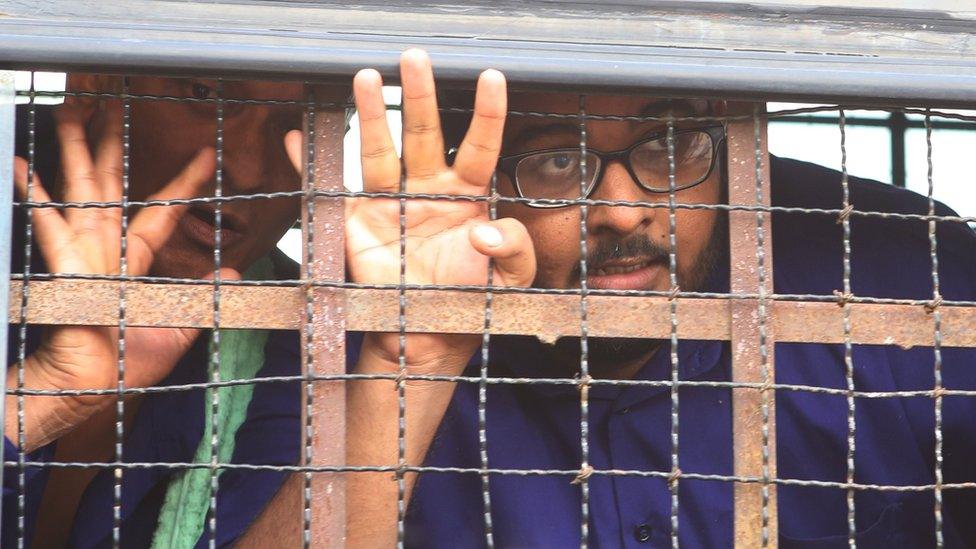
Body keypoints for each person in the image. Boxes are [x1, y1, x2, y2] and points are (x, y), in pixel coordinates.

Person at [317, 49, 976, 547]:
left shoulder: (901, 269)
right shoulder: (354, 316)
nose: (623, 211)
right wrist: (416, 355)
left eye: (668, 143)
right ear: (475, 173)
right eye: (554, 159)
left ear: (733, 140)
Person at [4, 74, 316, 547]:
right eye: (205, 96)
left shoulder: (313, 334)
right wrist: (43, 399)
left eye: (301, 127)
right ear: (95, 84)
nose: (249, 170)